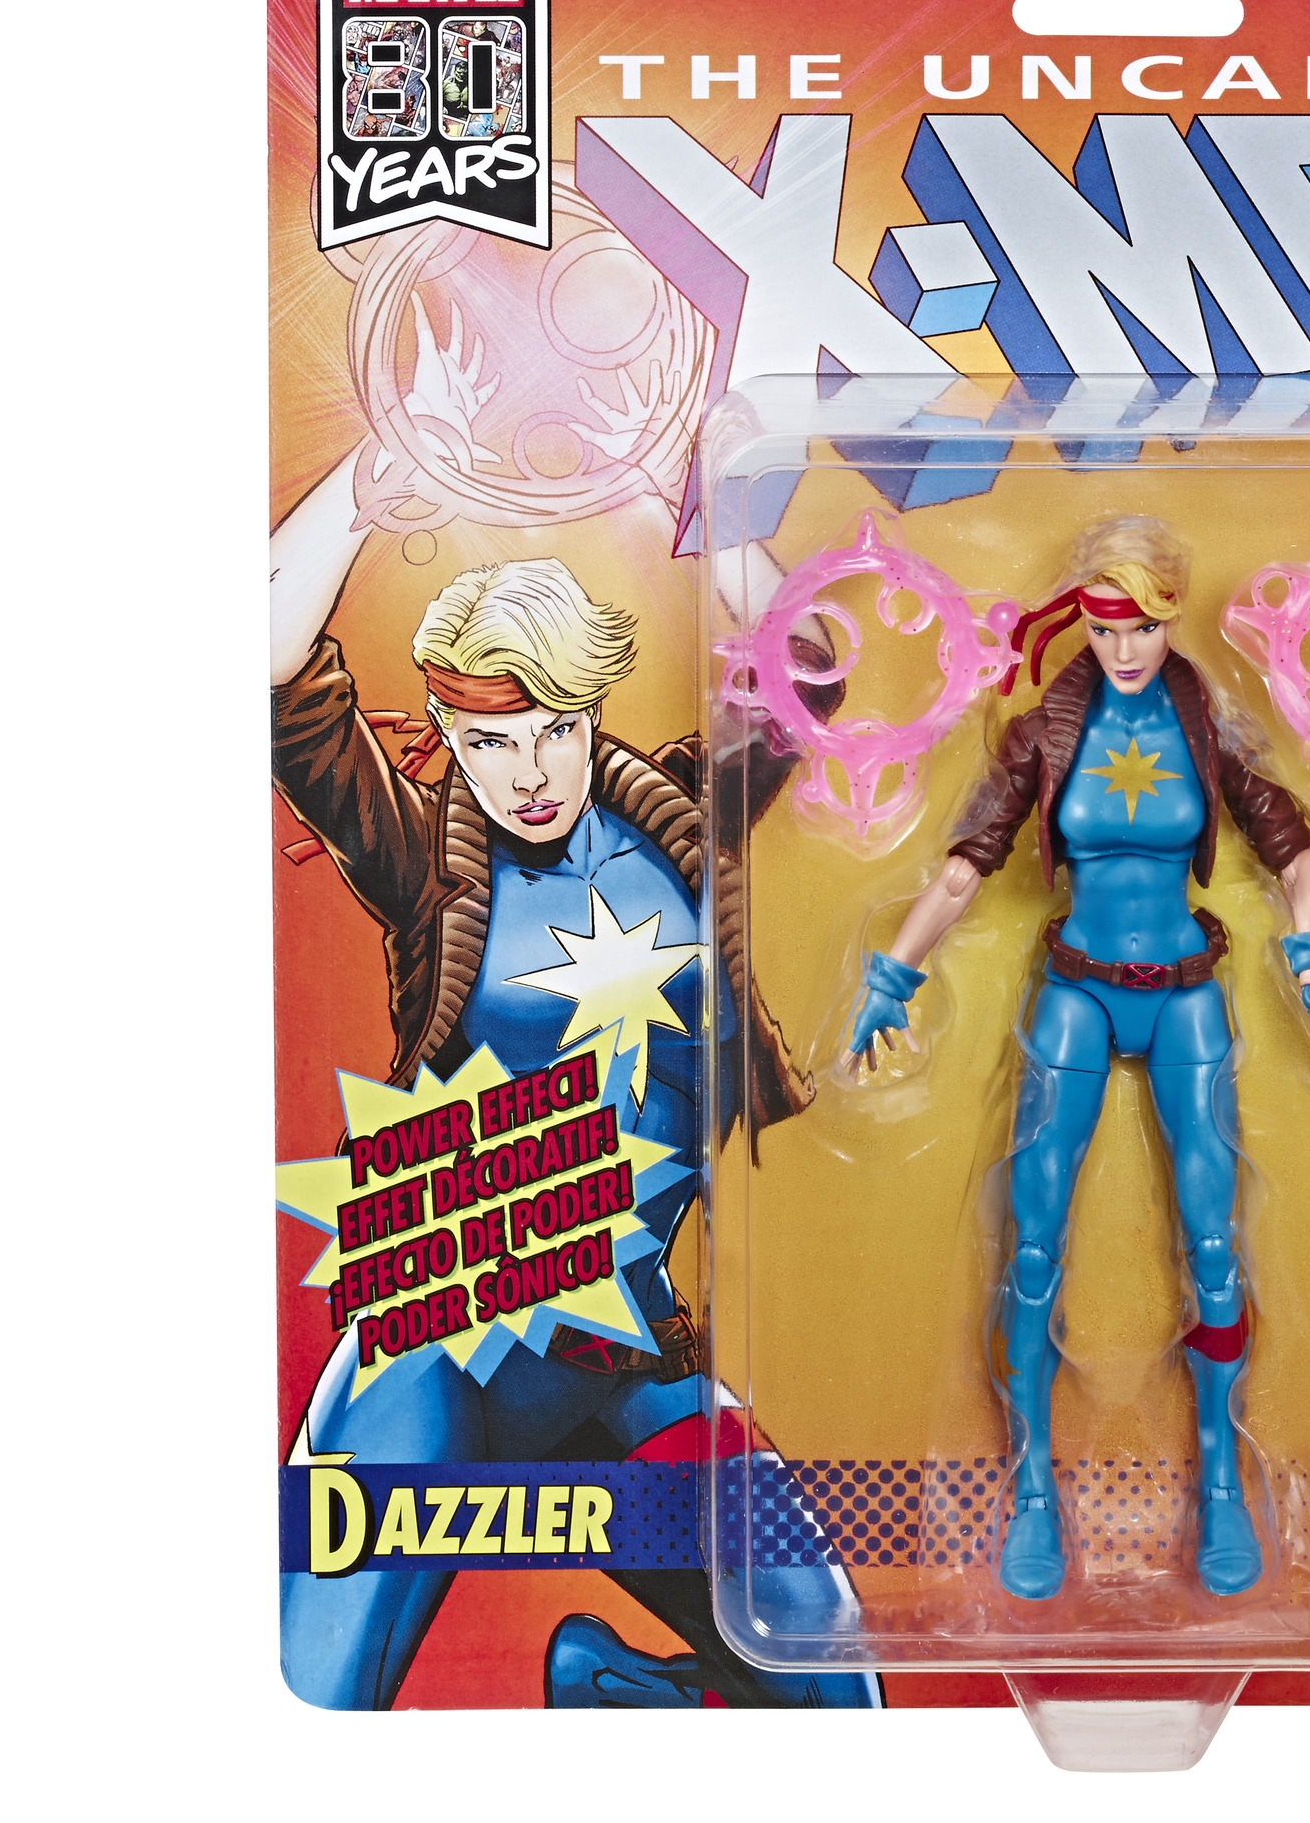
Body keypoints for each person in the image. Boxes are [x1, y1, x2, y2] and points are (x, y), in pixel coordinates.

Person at [272, 429, 877, 1709]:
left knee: (827, 1670)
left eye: (552, 729)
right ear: (449, 733)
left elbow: (809, 668)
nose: (529, 773)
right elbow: (269, 674)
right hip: (434, 1361)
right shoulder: (422, 860)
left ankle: (601, 1687)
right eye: (490, 742)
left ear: (591, 710)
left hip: (624, 1366)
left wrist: (695, 499)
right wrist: (372, 474)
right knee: (313, 1700)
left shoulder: (679, 817)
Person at [846, 515, 1310, 1601]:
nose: (1126, 646)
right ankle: (1032, 1495)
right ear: (1082, 625)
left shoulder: (1207, 728)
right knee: (1032, 1246)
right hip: (1078, 994)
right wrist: (890, 982)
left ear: (1170, 616)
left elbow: (1298, 856)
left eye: (1144, 624)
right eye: (1105, 627)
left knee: (1213, 1246)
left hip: (1186, 992)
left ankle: (1222, 1484)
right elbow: (963, 868)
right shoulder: (1044, 733)